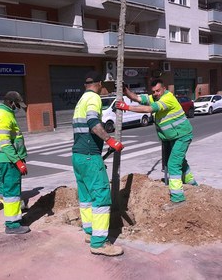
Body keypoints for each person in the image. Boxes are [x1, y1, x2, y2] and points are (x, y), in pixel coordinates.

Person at [116, 78, 197, 210]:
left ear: (164, 88)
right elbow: (137, 98)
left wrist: (127, 107)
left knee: (173, 164)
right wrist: (126, 91)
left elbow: (149, 108)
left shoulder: (167, 98)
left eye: (158, 91)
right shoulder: (155, 97)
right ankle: (192, 184)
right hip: (173, 137)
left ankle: (178, 198)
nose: (156, 94)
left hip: (182, 135)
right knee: (181, 162)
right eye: (153, 91)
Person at [72, 71, 125, 256]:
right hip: (89, 156)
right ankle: (99, 243)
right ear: (99, 83)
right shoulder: (94, 98)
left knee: (86, 197)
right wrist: (110, 141)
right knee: (102, 195)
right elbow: (94, 124)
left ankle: (89, 233)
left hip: (77, 156)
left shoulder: (81, 100)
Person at [0, 91, 30, 234]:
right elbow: (5, 143)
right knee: (12, 192)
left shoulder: (6, 113)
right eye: (17, 105)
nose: (18, 108)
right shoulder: (3, 116)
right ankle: (12, 224)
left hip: (8, 160)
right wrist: (18, 161)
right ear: (11, 102)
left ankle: (15, 219)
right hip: (8, 161)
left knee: (12, 191)